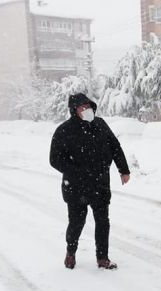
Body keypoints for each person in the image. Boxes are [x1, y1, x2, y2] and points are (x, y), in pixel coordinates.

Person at [49, 93, 130, 270]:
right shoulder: (64, 130)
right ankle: (71, 253)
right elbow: (54, 159)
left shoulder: (100, 124)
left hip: (100, 183)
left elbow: (115, 146)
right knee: (77, 222)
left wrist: (123, 170)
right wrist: (76, 171)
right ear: (74, 110)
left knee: (103, 221)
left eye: (88, 107)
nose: (86, 111)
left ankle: (102, 258)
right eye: (82, 108)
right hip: (76, 187)